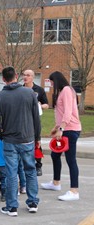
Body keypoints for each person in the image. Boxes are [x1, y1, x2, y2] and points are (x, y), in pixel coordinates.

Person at [0, 66, 41, 217]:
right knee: (30, 170)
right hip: (27, 139)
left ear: (4, 79)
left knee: (11, 173)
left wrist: (2, 136)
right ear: (16, 76)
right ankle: (33, 202)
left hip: (10, 140)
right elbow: (36, 119)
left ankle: (12, 206)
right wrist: (37, 138)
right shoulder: (29, 93)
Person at [41, 71, 82, 201]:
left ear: (57, 80)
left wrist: (61, 129)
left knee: (71, 160)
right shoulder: (65, 91)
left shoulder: (66, 90)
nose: (52, 84)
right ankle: (55, 183)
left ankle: (74, 191)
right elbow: (61, 112)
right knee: (55, 155)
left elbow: (68, 112)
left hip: (70, 130)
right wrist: (56, 128)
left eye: (52, 82)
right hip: (65, 129)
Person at [23, 69, 49, 176]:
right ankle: (24, 164)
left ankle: (38, 165)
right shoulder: (20, 89)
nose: (25, 77)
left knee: (36, 141)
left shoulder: (39, 90)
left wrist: (39, 105)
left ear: (33, 77)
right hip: (23, 119)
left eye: (28, 75)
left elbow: (46, 105)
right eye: (24, 75)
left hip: (34, 120)